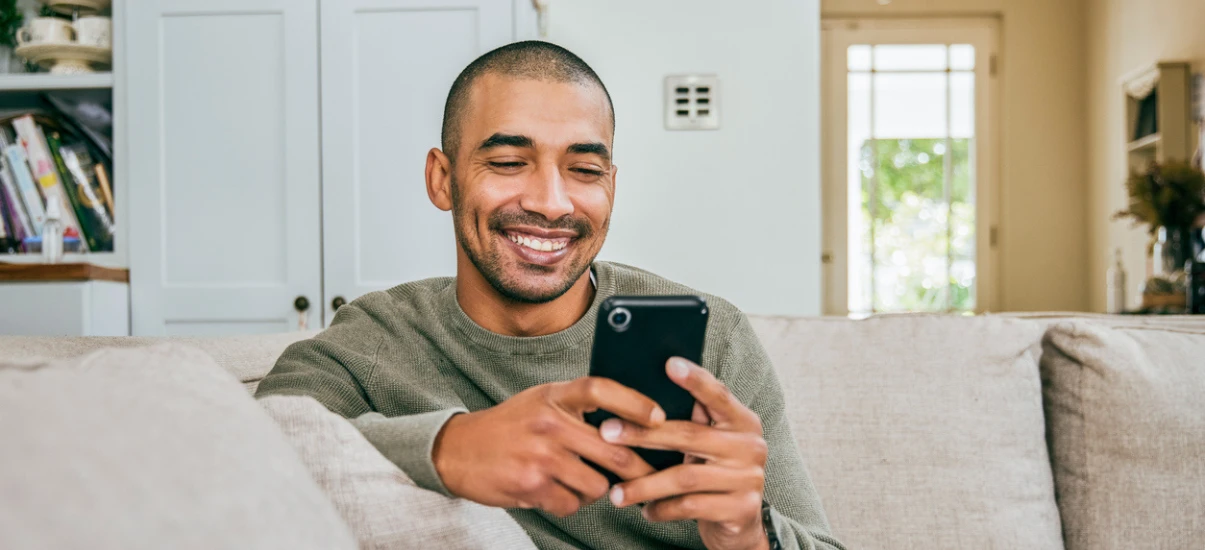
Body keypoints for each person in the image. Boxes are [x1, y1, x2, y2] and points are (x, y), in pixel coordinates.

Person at [256, 40, 843, 550]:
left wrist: (747, 535)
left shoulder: (715, 338)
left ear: (611, 185)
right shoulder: (376, 342)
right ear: (442, 179)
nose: (552, 202)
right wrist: (447, 447)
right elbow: (245, 451)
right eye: (510, 161)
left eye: (585, 170)